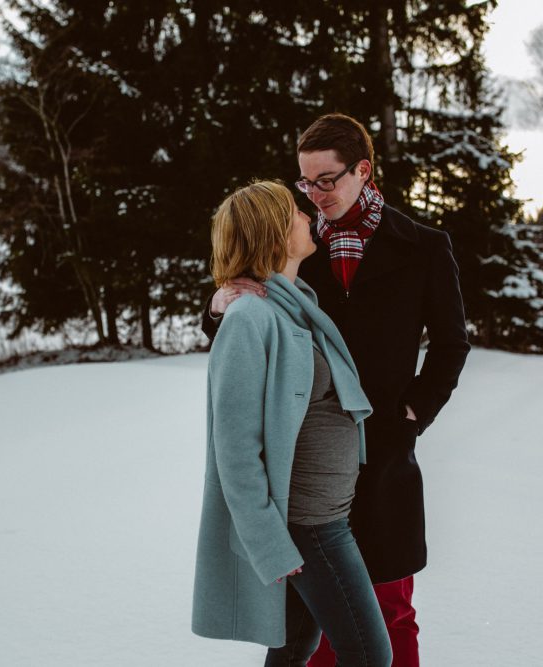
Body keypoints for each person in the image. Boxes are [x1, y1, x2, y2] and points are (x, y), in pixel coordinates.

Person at [202, 114, 470, 666]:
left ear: (362, 171)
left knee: (388, 606)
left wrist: (413, 414)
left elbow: (451, 344)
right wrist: (218, 303)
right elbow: (245, 330)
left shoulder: (421, 247)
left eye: (326, 179)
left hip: (386, 454)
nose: (314, 193)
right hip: (304, 463)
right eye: (305, 181)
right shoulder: (292, 246)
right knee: (319, 617)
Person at [191, 180, 392, 666]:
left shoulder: (293, 303)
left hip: (326, 515)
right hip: (308, 524)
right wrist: (269, 544)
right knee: (370, 655)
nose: (308, 216)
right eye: (296, 212)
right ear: (276, 234)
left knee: (293, 649)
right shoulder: (250, 318)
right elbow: (234, 450)